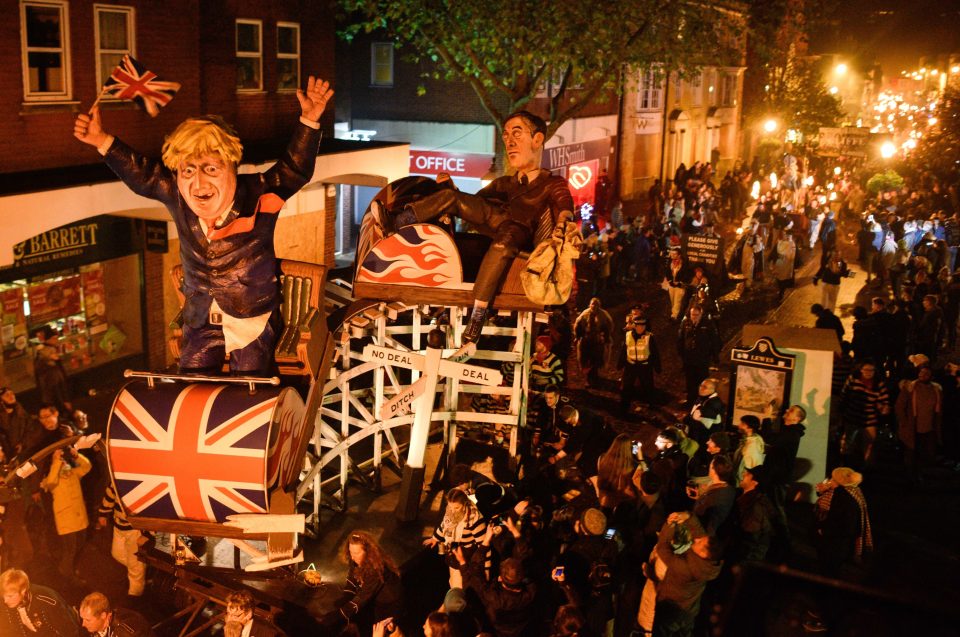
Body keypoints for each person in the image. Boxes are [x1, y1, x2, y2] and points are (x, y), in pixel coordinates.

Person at [74, 76, 333, 375]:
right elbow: (141, 174)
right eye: (187, 170)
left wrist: (309, 121)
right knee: (191, 380)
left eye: (210, 169)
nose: (198, 183)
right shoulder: (176, 196)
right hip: (200, 320)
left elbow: (295, 169)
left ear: (232, 165)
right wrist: (101, 140)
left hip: (250, 318)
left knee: (250, 382)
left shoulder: (259, 192)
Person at [380, 110, 574, 343]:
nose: (509, 141)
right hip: (498, 220)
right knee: (453, 198)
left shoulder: (551, 184)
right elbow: (473, 203)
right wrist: (450, 192)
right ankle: (398, 222)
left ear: (538, 139)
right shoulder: (505, 183)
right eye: (505, 135)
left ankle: (478, 315)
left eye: (517, 134)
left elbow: (564, 203)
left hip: (520, 233)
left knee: (504, 242)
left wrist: (565, 223)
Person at [333, 531, 402, 631]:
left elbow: (363, 597)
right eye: (350, 552)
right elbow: (352, 578)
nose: (352, 557)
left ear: (368, 552)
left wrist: (340, 614)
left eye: (356, 553)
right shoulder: (356, 559)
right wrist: (346, 597)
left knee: (382, 630)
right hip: (375, 600)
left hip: (388, 605)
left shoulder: (377, 569)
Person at [41, 446, 92, 578]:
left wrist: (76, 456)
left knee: (80, 545)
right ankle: (67, 574)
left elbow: (87, 466)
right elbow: (51, 482)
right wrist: (55, 461)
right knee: (70, 550)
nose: (63, 462)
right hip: (66, 519)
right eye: (59, 460)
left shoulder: (73, 473)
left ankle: (68, 569)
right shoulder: (49, 478)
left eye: (63, 459)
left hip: (80, 516)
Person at [425, 489, 487, 588]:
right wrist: (435, 538)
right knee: (453, 579)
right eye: (450, 507)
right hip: (452, 552)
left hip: (466, 555)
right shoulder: (450, 509)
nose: (453, 511)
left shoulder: (474, 519)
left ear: (465, 504)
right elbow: (445, 525)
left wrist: (486, 569)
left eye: (457, 508)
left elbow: (484, 546)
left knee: (460, 586)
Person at [97, 484, 149, 599]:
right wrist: (103, 513)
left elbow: (149, 504)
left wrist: (147, 532)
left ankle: (134, 596)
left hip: (134, 528)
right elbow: (110, 494)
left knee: (135, 566)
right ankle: (139, 569)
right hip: (119, 526)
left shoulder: (140, 482)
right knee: (117, 554)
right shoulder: (117, 478)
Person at [839, 361, 890, 466]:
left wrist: (883, 408)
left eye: (871, 370)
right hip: (852, 417)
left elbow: (884, 401)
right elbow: (844, 394)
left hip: (869, 419)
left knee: (870, 445)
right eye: (866, 369)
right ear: (860, 370)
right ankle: (845, 466)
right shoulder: (853, 380)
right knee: (848, 443)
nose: (868, 372)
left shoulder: (879, 384)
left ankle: (866, 469)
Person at [0, 568, 79, 637]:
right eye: (4, 596)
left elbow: (70, 631)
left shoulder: (47, 600)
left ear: (23, 591)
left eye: (10, 596)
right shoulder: (6, 602)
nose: (5, 601)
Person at [676, 305, 720, 405]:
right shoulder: (685, 323)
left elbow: (714, 340)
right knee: (690, 381)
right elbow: (680, 339)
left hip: (702, 358)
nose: (694, 317)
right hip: (689, 358)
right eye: (692, 314)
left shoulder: (708, 324)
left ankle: (702, 402)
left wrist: (714, 355)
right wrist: (681, 353)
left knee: (702, 381)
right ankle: (690, 400)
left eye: (696, 315)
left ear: (701, 314)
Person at [619, 317, 662, 414]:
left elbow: (655, 353)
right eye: (638, 326)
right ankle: (624, 406)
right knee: (626, 387)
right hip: (631, 365)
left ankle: (651, 404)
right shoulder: (628, 335)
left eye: (642, 326)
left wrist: (657, 367)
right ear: (634, 326)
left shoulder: (649, 337)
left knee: (648, 386)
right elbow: (624, 350)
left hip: (644, 366)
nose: (640, 328)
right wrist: (620, 364)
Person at [575, 297, 614, 388]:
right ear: (590, 304)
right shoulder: (585, 314)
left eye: (596, 304)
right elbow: (578, 325)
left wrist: (605, 336)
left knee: (596, 359)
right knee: (587, 359)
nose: (594, 306)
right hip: (587, 340)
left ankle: (594, 376)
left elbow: (609, 325)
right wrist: (578, 336)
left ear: (599, 306)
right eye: (592, 304)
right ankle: (589, 378)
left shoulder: (603, 315)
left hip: (597, 340)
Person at [79, 591, 155, 637]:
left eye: (88, 620)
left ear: (103, 615)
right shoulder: (96, 628)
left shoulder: (124, 633)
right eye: (82, 619)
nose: (83, 624)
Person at [685, 379, 725, 447]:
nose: (701, 388)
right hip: (697, 437)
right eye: (701, 385)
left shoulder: (714, 404)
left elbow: (704, 427)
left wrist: (690, 421)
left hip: (705, 441)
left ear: (712, 390)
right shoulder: (702, 398)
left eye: (705, 387)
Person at [734, 415, 765, 485]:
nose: (739, 425)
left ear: (750, 428)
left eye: (742, 424)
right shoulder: (749, 439)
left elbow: (748, 467)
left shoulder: (752, 446)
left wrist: (741, 482)